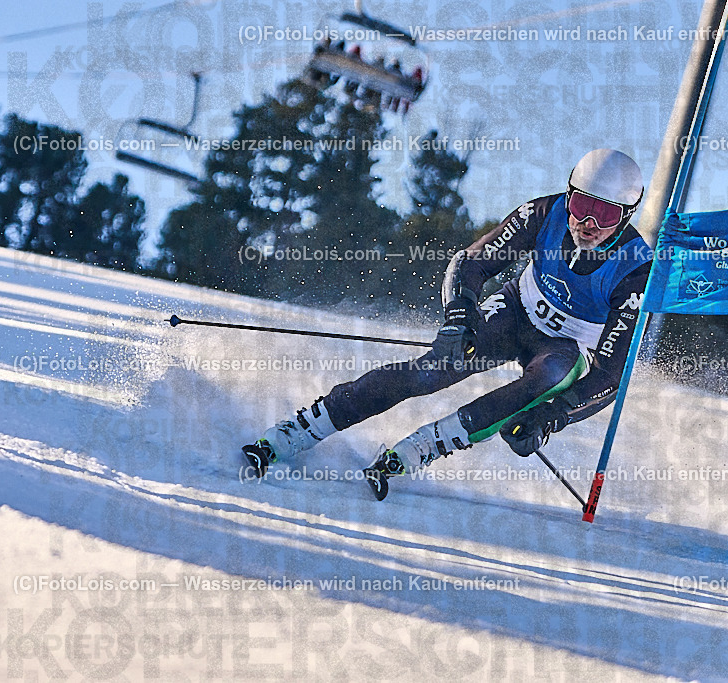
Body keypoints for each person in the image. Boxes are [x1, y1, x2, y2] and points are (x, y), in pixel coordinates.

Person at [242, 149, 652, 500]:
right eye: (581, 206)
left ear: (628, 214)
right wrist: (459, 316)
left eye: (606, 214)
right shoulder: (544, 213)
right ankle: (302, 428)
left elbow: (612, 374)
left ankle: (424, 447)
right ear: (568, 195)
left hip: (565, 346)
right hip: (515, 312)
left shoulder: (635, 271)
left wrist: (554, 415)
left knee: (550, 375)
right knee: (428, 373)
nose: (589, 224)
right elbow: (470, 262)